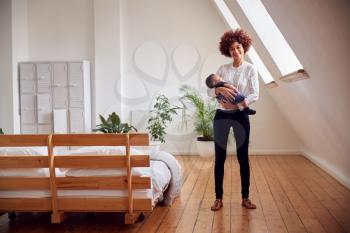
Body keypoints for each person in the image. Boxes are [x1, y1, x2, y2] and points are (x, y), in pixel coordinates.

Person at [208, 29, 259, 211]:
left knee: (242, 157)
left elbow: (255, 94)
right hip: (221, 116)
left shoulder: (251, 69)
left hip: (240, 116)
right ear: (227, 51)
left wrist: (237, 106)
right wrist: (218, 91)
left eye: (238, 47)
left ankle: (245, 197)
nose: (235, 51)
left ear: (244, 47)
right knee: (219, 158)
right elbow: (210, 89)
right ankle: (218, 198)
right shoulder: (222, 69)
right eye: (231, 49)